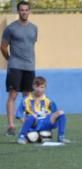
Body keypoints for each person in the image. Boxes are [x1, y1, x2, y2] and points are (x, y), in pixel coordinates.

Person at [2, 1, 38, 137]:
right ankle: (11, 126)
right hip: (15, 66)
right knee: (13, 95)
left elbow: (30, 45)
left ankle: (27, 124)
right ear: (18, 11)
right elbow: (3, 46)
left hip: (29, 66)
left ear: (29, 11)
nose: (24, 12)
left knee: (27, 96)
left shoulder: (34, 28)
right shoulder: (11, 28)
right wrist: (10, 59)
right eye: (22, 10)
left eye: (26, 10)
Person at [16, 76, 67, 144]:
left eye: (42, 87)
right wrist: (26, 124)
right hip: (34, 123)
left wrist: (50, 126)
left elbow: (55, 115)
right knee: (32, 116)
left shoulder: (49, 101)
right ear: (33, 86)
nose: (39, 89)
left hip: (46, 122)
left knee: (61, 112)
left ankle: (61, 137)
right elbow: (19, 115)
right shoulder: (26, 99)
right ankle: (21, 136)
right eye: (37, 86)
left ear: (45, 88)